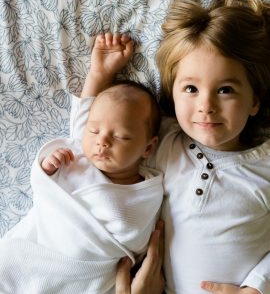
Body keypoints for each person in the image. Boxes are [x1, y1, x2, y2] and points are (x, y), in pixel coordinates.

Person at [72, 0, 270, 294]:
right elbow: (92, 136)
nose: (206, 105)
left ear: (254, 101)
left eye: (225, 90)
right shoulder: (163, 143)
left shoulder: (269, 169)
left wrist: (257, 288)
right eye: (190, 89)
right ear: (172, 95)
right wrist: (99, 76)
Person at [0, 34, 163, 294]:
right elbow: (87, 111)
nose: (102, 142)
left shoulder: (148, 190)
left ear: (148, 147)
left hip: (85, 273)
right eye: (94, 131)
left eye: (121, 136)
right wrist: (47, 167)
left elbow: (135, 238)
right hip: (35, 251)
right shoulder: (78, 153)